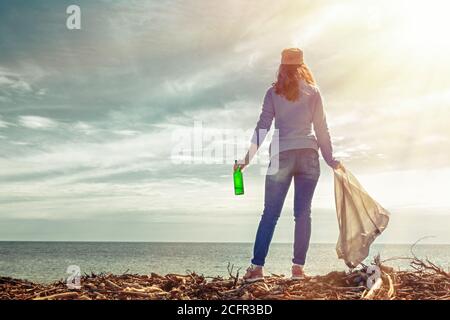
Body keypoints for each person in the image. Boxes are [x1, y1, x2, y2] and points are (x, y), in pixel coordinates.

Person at [234, 48, 340, 282]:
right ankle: (298, 270)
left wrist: (246, 159)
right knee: (303, 214)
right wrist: (330, 159)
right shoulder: (314, 92)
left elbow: (263, 127)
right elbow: (322, 128)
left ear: (281, 67)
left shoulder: (273, 92)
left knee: (270, 214)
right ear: (303, 66)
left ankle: (256, 268)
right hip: (309, 155)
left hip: (281, 155)